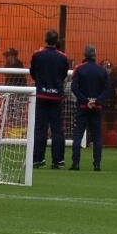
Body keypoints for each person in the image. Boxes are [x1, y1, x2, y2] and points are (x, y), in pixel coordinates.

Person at [29, 29, 69, 170]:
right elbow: (64, 74)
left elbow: (32, 72)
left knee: (40, 128)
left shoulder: (37, 55)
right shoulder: (63, 57)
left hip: (41, 96)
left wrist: (42, 84)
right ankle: (58, 161)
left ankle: (38, 159)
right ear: (57, 41)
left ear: (45, 40)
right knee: (57, 129)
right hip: (56, 96)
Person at [69, 44, 109, 171]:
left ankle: (76, 163)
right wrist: (96, 101)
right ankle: (97, 164)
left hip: (82, 106)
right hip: (97, 108)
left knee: (78, 135)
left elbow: (74, 87)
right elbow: (107, 89)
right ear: (95, 55)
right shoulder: (102, 70)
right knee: (97, 136)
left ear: (84, 55)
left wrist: (85, 100)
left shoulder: (79, 69)